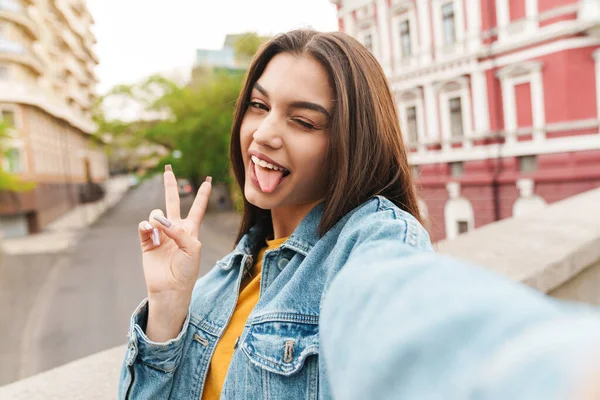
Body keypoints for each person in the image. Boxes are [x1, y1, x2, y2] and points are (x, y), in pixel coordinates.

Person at [119, 29, 600, 399]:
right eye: (258, 105)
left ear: (351, 142)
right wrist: (167, 307)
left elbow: (407, 309)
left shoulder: (366, 241)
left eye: (303, 121)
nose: (264, 133)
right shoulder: (220, 281)